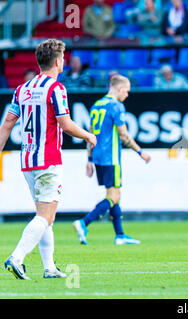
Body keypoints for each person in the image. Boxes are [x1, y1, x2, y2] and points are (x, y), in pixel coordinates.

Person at [0, 39, 97, 280]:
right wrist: (88, 135)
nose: (63, 61)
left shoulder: (21, 89)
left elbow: (7, 124)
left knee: (44, 216)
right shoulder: (56, 89)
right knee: (46, 215)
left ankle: (49, 267)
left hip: (28, 161)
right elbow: (65, 124)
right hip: (48, 159)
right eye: (62, 58)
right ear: (57, 61)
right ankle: (17, 257)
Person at [73, 75, 151, 246]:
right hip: (111, 157)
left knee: (114, 194)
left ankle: (120, 235)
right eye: (127, 91)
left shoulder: (97, 105)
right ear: (120, 89)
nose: (128, 95)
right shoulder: (117, 106)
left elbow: (91, 133)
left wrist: (89, 159)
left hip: (98, 157)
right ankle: (84, 222)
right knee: (113, 196)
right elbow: (123, 135)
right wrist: (140, 152)